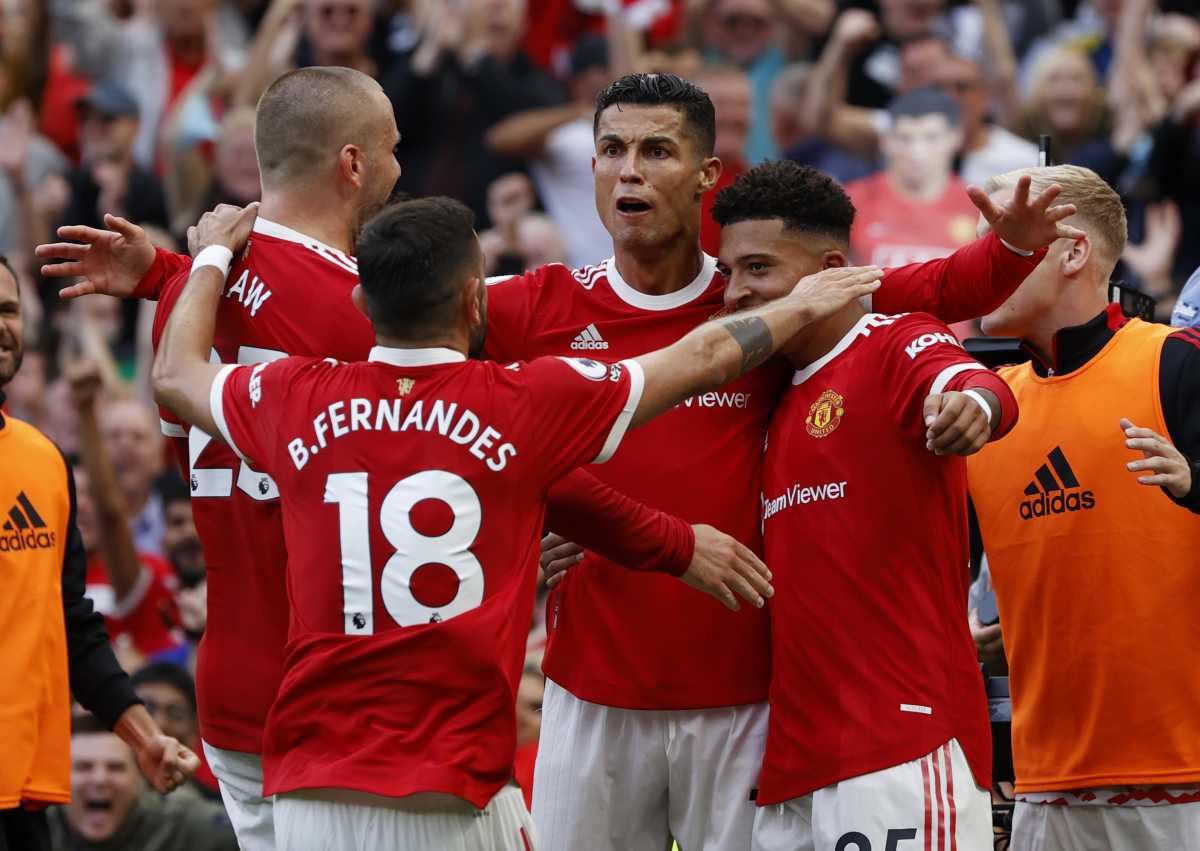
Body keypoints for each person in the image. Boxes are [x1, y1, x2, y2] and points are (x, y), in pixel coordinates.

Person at [43, 71, 1080, 851]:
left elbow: (920, 295)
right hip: (588, 690)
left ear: (706, 175)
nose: (630, 170)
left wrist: (1012, 252)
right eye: (612, 149)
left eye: (657, 151)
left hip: (743, 695)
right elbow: (372, 322)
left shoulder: (764, 294)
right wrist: (168, 269)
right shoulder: (537, 305)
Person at [149, 196, 874, 848]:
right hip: (452, 787)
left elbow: (174, 376)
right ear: (475, 300)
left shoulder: (289, 394)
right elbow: (708, 354)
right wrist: (805, 303)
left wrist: (209, 258)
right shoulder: (524, 402)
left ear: (363, 300)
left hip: (311, 788)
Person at [713, 160, 1018, 851]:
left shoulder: (893, 339)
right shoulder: (775, 393)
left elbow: (969, 381)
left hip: (902, 748)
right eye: (728, 271)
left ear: (831, 271)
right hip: (792, 765)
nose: (735, 292)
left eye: (757, 268)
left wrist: (973, 406)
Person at [965, 165, 1200, 850]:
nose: (978, 267)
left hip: (1183, 784)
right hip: (1043, 789)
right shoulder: (985, 407)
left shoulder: (1176, 364)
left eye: (1003, 243)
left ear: (1073, 252)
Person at [0, 256, 198, 851]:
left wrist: (143, 737)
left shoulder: (43, 461)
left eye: (8, 310)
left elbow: (71, 625)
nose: (1, 326)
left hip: (23, 796)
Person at [47, 714, 235, 851]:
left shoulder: (184, 823)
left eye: (115, 767)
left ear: (139, 777)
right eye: (84, 767)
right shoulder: (37, 823)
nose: (100, 779)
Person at [844, 88, 981, 269]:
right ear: (886, 141)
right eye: (905, 138)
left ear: (955, 138)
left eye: (931, 138)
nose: (917, 153)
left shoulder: (979, 206)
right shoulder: (852, 202)